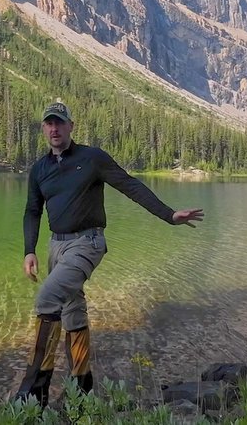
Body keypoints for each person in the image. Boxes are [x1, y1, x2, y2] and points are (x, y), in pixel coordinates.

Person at [15, 101, 205, 406]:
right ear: (43, 128)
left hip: (87, 243)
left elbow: (130, 186)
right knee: (71, 310)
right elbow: (32, 210)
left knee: (47, 299)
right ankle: (82, 389)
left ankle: (33, 393)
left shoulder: (91, 158)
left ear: (70, 126)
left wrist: (168, 215)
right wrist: (29, 251)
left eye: (59, 123)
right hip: (56, 245)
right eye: (49, 123)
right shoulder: (40, 169)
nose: (54, 128)